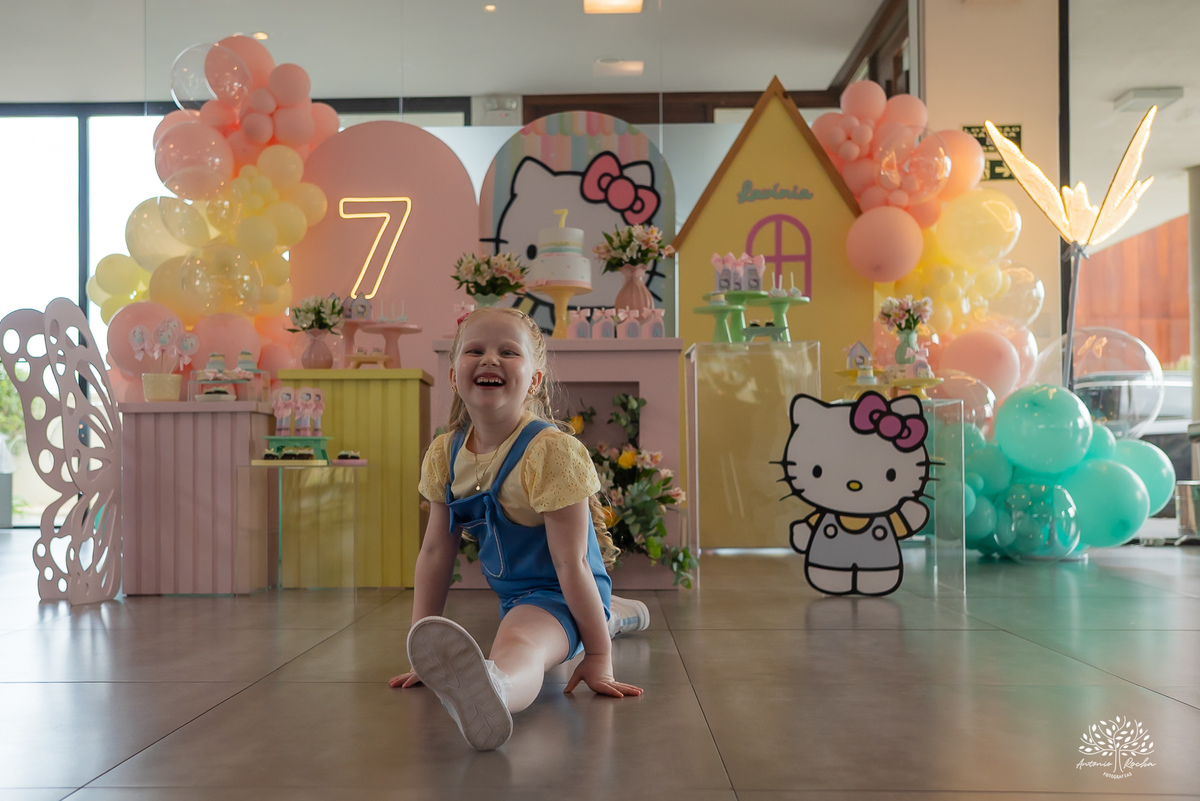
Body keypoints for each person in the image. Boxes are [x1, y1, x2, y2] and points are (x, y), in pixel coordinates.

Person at [389, 306, 649, 750]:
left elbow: (572, 564)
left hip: (560, 592)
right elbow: (434, 553)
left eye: (508, 352)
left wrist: (598, 656)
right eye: (475, 350)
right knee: (527, 625)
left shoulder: (550, 452)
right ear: (453, 376)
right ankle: (619, 615)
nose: (490, 359)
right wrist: (423, 652)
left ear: (534, 380)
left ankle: (496, 690)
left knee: (520, 642)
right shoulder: (445, 454)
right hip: (518, 597)